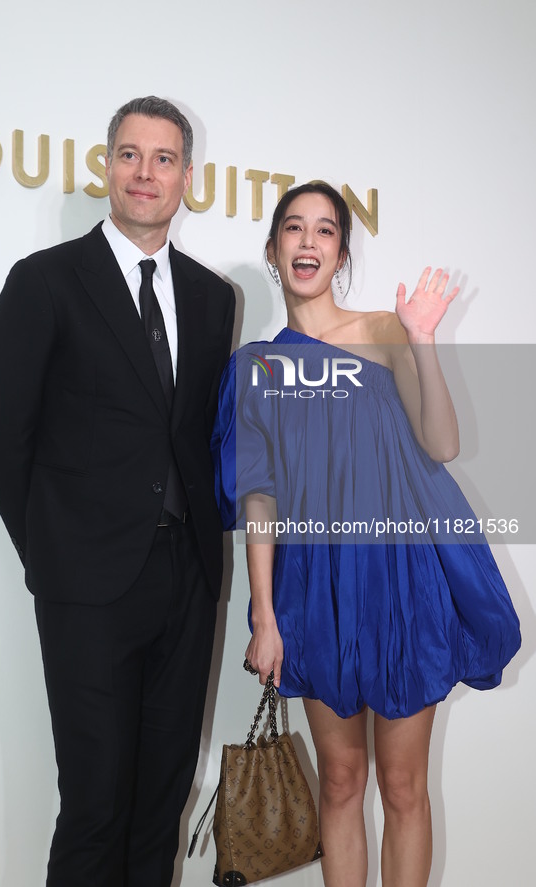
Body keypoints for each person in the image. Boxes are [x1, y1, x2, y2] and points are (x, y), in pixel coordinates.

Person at [211, 181, 520, 887]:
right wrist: (264, 615)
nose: (308, 241)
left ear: (341, 253)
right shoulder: (253, 368)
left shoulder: (383, 330)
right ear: (273, 249)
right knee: (342, 780)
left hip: (400, 581)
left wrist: (422, 339)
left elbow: (442, 444)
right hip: (312, 589)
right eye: (294, 228)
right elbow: (259, 499)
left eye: (324, 231)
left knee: (403, 787)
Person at [0, 96, 235, 887]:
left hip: (186, 582)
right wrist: (55, 545)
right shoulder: (46, 281)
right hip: (86, 585)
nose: (144, 172)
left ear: (187, 175)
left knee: (162, 801)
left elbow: (196, 439)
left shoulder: (214, 296)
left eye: (162, 158)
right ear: (105, 167)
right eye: (129, 154)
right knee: (94, 805)